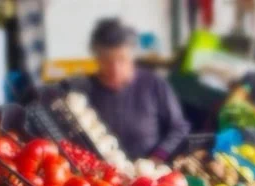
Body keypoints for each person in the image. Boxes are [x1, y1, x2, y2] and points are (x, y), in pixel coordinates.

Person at [65, 18, 190, 162]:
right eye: (106, 60)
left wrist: (159, 156)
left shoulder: (153, 84)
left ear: (132, 56)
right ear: (97, 58)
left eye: (122, 59)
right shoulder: (83, 90)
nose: (115, 69)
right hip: (99, 171)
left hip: (149, 168)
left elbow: (179, 127)